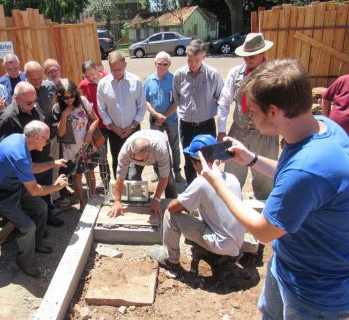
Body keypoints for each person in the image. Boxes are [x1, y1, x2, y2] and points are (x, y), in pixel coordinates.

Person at [200, 59, 349, 318]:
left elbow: (263, 231)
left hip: (315, 293)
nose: (250, 116)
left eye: (253, 111)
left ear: (273, 112)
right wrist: (253, 159)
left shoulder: (305, 171)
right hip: (289, 265)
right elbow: (290, 171)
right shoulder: (322, 127)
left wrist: (216, 183)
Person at [0, 121, 68, 277]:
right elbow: (34, 190)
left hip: (13, 186)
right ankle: (25, 262)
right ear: (36, 137)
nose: (47, 143)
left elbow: (32, 168)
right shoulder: (19, 154)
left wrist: (53, 163)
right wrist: (56, 187)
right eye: (46, 139)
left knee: (41, 208)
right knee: (28, 227)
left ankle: (36, 243)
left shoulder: (20, 139)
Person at [150, 134, 247, 272]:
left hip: (221, 244)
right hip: (237, 243)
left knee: (170, 216)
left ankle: (170, 260)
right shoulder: (232, 178)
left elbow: (172, 208)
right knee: (199, 213)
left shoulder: (201, 182)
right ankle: (218, 255)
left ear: (196, 162)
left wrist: (183, 206)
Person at [217, 33, 278, 200]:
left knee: (264, 181)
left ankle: (261, 221)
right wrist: (221, 131)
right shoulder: (236, 73)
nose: (247, 59)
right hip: (239, 131)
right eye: (245, 56)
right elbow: (224, 102)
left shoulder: (275, 74)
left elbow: (284, 107)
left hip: (265, 134)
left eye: (252, 56)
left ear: (262, 54)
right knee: (231, 178)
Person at [0, 81, 64, 226]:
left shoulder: (35, 106)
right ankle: (34, 226)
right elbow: (3, 147)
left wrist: (48, 153)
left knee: (45, 192)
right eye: (28, 103)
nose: (32, 105)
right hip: (27, 166)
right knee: (33, 196)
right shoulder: (8, 117)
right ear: (16, 99)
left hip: (43, 159)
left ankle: (47, 216)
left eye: (35, 101)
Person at [173, 39, 224, 186]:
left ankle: (208, 189)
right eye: (190, 60)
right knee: (189, 159)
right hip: (186, 125)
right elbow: (177, 98)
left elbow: (221, 99)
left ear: (203, 57)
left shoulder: (213, 74)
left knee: (208, 159)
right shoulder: (179, 75)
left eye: (196, 60)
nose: (193, 63)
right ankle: (191, 189)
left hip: (206, 125)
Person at [25, 60, 71, 208]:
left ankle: (55, 197)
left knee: (54, 166)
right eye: (33, 80)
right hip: (34, 141)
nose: (38, 82)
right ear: (26, 78)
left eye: (39, 78)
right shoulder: (24, 91)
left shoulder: (50, 86)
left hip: (51, 136)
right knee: (38, 169)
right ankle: (43, 201)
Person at [97, 50, 146, 179]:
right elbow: (102, 109)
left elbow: (141, 107)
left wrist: (132, 126)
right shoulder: (103, 84)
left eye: (119, 69)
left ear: (125, 65)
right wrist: (114, 128)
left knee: (137, 160)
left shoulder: (135, 81)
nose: (116, 72)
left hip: (134, 129)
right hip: (114, 132)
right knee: (118, 161)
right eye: (113, 70)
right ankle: (120, 190)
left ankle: (135, 187)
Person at [108, 130, 177, 218]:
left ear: (149, 152)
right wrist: (117, 201)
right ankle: (139, 202)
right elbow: (120, 178)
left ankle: (173, 205)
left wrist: (156, 199)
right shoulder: (125, 152)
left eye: (141, 159)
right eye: (135, 158)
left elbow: (164, 178)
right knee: (133, 176)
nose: (139, 161)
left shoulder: (160, 150)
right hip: (141, 147)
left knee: (169, 180)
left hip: (158, 145)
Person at [52, 79, 98, 212]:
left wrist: (89, 133)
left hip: (86, 145)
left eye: (72, 96)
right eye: (66, 97)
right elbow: (60, 134)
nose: (70, 100)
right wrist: (64, 115)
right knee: (76, 176)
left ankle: (93, 198)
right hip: (70, 149)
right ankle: (82, 202)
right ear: (60, 97)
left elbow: (95, 119)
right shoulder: (57, 108)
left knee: (90, 172)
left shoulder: (82, 101)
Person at [145, 51, 184, 183]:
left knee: (174, 146)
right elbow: (146, 101)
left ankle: (177, 172)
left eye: (165, 64)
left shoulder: (174, 80)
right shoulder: (149, 80)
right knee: (156, 147)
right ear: (154, 63)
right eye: (159, 63)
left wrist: (164, 116)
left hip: (171, 119)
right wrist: (156, 115)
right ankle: (157, 171)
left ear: (169, 64)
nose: (162, 66)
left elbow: (176, 101)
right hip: (154, 120)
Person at [78, 60, 110, 190]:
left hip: (110, 124)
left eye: (93, 74)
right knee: (102, 155)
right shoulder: (84, 85)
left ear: (98, 69)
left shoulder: (108, 78)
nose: (91, 78)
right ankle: (105, 181)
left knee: (115, 152)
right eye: (87, 76)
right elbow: (82, 105)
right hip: (97, 126)